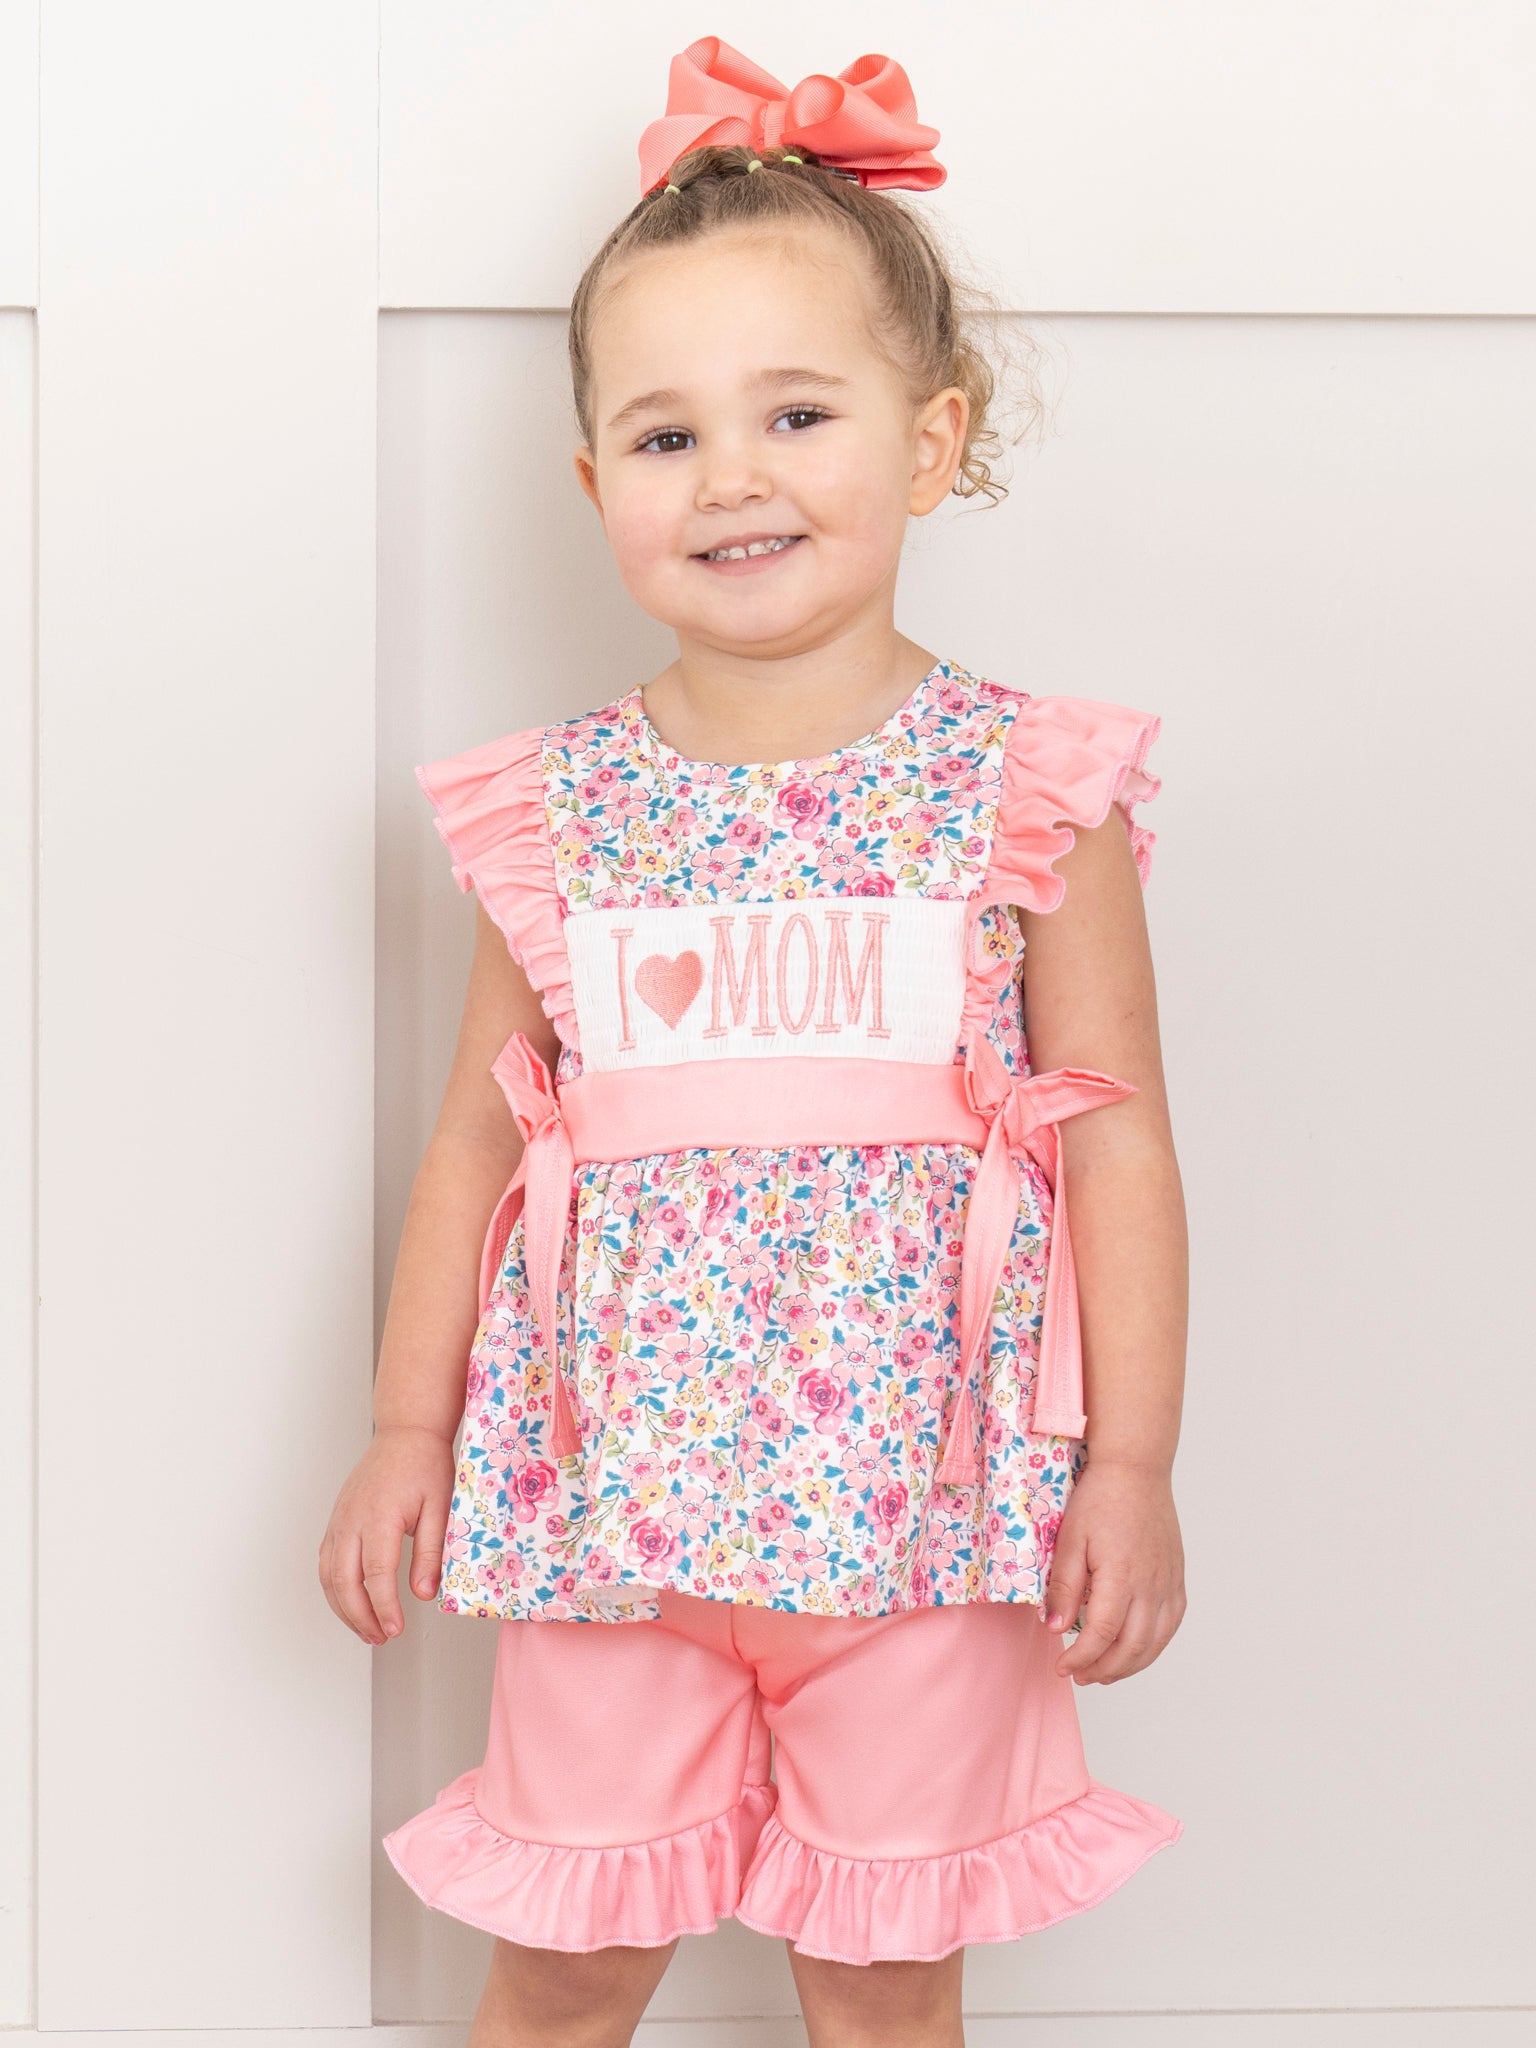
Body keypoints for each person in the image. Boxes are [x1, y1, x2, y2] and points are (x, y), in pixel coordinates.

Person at [320, 35, 1189, 2048]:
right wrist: (405, 1428)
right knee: (564, 1961)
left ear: (932, 438)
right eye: (665, 433)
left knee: (881, 1981)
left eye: (797, 413)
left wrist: (1132, 1462)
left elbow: (1122, 1137)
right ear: (593, 486)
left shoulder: (1028, 790)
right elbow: (475, 1142)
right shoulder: (557, 810)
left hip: (924, 1517)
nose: (732, 475)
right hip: (609, 1517)